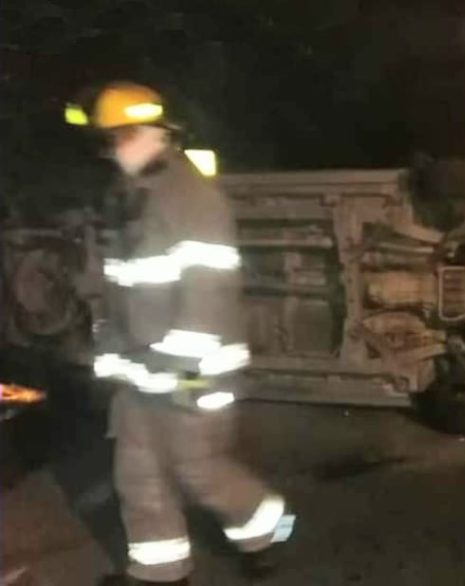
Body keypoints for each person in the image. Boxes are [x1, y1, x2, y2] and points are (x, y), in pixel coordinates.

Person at [66, 82, 294, 585]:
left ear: (155, 133)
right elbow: (124, 287)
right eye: (107, 141)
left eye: (119, 137)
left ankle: (273, 528)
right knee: (139, 476)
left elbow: (206, 294)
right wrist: (111, 354)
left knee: (199, 471)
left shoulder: (189, 197)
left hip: (193, 373)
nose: (112, 150)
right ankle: (161, 572)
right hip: (144, 372)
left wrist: (182, 372)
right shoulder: (134, 196)